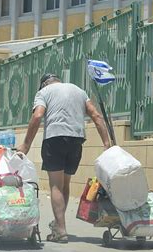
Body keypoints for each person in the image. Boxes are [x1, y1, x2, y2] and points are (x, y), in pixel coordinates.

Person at [17, 73, 110, 243]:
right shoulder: (79, 91)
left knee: (55, 186)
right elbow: (96, 116)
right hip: (76, 139)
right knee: (65, 184)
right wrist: (106, 143)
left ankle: (61, 229)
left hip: (55, 139)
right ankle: (58, 225)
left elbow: (37, 116)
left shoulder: (44, 93)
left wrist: (26, 146)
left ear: (44, 84)